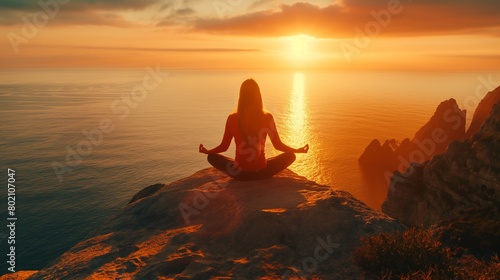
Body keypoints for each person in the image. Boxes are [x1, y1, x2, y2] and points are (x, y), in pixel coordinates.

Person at [199, 79, 309, 180]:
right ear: (258, 96)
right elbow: (277, 145)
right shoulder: (267, 117)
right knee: (290, 156)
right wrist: (297, 150)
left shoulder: (232, 118)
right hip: (262, 173)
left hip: (239, 174)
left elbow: (224, 146)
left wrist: (208, 151)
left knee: (212, 157)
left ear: (241, 96)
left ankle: (237, 164)